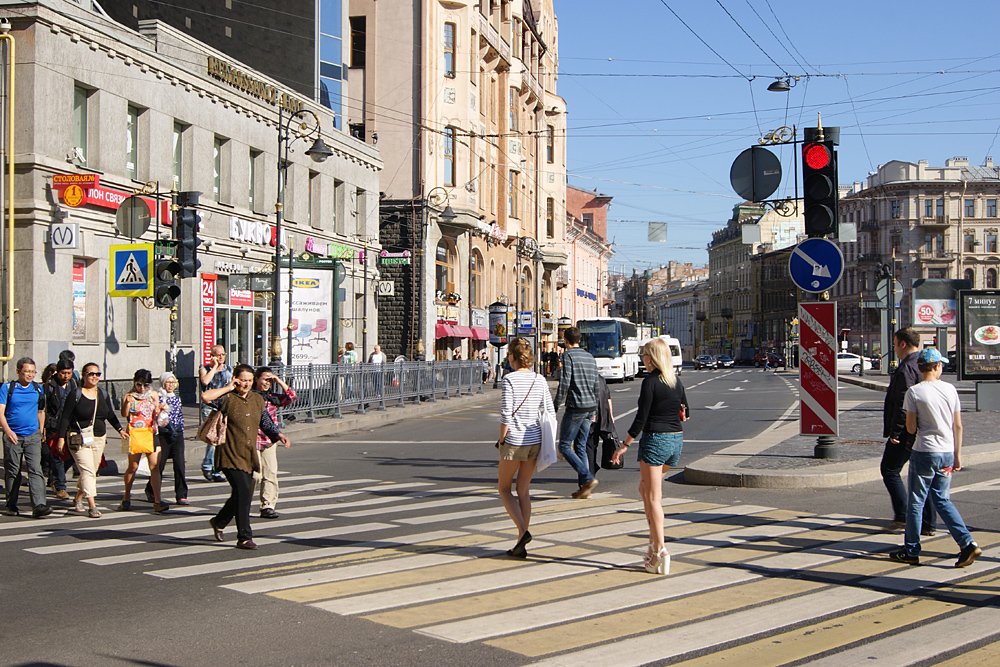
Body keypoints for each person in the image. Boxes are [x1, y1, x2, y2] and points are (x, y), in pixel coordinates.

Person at [890, 348, 981, 568]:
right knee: (942, 499)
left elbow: (910, 428)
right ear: (937, 367)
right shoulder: (950, 390)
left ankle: (911, 550)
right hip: (947, 452)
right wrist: (957, 456)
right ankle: (967, 542)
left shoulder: (914, 392)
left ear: (921, 368)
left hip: (924, 451)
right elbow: (958, 425)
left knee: (916, 502)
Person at [611, 338, 689, 575]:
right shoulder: (676, 382)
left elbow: (641, 418)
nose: (642, 359)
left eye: (645, 355)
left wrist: (624, 445)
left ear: (653, 358)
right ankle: (653, 546)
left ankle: (661, 550)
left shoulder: (651, 382)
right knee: (644, 490)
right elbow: (685, 413)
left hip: (656, 440)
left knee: (654, 498)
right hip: (675, 441)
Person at [202, 364, 290, 550]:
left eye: (249, 381)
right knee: (243, 490)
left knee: (244, 492)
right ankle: (244, 537)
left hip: (248, 454)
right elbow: (205, 397)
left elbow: (265, 421)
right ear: (236, 379)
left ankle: (219, 521)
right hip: (229, 453)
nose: (246, 384)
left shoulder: (257, 399)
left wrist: (278, 435)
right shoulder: (227, 398)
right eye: (243, 380)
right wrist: (228, 387)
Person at [497, 337, 553, 559]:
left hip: (514, 440)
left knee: (503, 488)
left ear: (512, 357)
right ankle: (521, 542)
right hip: (535, 441)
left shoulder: (509, 380)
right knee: (523, 490)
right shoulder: (539, 379)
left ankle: (523, 532)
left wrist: (501, 438)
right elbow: (548, 409)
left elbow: (506, 413)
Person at [881, 328, 935, 534]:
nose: (894, 348)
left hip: (906, 431)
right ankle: (928, 523)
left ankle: (903, 515)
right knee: (922, 475)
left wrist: (896, 432)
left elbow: (903, 404)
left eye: (895, 343)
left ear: (903, 344)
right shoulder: (923, 363)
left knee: (889, 469)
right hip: (924, 428)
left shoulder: (906, 369)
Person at [56, 363, 127, 518]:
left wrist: (120, 429)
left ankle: (78, 498)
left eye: (97, 374)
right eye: (91, 374)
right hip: (78, 438)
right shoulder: (76, 394)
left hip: (99, 438)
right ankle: (92, 505)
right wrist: (61, 438)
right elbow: (65, 417)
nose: (94, 377)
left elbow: (109, 414)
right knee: (87, 470)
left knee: (91, 471)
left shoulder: (102, 393)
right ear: (84, 375)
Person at [553, 327, 600, 499]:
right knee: (580, 446)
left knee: (565, 446)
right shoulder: (590, 356)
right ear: (579, 339)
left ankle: (587, 477)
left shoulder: (568, 356)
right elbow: (596, 384)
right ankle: (584, 487)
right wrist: (594, 409)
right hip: (590, 407)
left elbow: (565, 382)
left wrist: (556, 404)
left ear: (565, 341)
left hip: (576, 407)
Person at [0, 357, 51, 518]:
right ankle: (11, 504)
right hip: (13, 435)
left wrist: (40, 430)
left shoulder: (37, 389)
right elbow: (0, 412)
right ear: (18, 372)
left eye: (33, 371)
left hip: (32, 435)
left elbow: (41, 411)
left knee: (36, 469)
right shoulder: (8, 388)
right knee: (13, 470)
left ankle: (39, 505)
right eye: (26, 371)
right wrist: (8, 431)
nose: (30, 375)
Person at [119, 369, 168, 513]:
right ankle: (126, 497)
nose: (142, 389)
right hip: (135, 434)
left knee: (154, 466)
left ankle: (157, 500)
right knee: (133, 466)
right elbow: (124, 414)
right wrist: (127, 404)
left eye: (145, 385)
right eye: (139, 385)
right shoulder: (129, 396)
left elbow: (158, 413)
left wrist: (159, 409)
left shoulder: (153, 395)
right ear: (134, 382)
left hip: (151, 432)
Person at [253, 367, 295, 519]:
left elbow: (291, 397)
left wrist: (278, 380)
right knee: (255, 475)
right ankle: (242, 501)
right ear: (256, 379)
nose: (267, 383)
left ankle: (267, 505)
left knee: (270, 473)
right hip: (252, 439)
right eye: (265, 379)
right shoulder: (250, 396)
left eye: (270, 381)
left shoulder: (272, 397)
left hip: (269, 440)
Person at [143, 372, 188, 506]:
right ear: (163, 383)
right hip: (163, 433)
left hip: (177, 433)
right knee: (159, 465)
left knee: (180, 464)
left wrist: (180, 429)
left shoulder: (177, 398)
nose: (170, 385)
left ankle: (181, 495)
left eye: (173, 382)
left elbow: (180, 415)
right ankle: (151, 490)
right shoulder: (158, 397)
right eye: (168, 382)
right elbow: (154, 414)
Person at [43, 359, 76, 501]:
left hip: (69, 425)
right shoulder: (49, 386)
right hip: (53, 426)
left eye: (69, 373)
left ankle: (53, 476)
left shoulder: (74, 384)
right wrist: (43, 428)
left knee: (72, 455)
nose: (66, 376)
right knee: (57, 455)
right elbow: (43, 409)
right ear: (58, 372)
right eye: (63, 373)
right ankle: (61, 486)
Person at [199, 344, 231, 482]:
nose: (221, 357)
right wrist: (214, 367)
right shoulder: (204, 368)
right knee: (213, 438)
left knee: (222, 438)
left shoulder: (228, 369)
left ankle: (216, 469)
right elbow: (205, 381)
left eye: (223, 354)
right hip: (210, 406)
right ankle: (207, 466)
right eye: (218, 354)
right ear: (212, 355)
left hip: (224, 406)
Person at [585, 374, 616, 477]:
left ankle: (590, 472)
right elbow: (608, 399)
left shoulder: (585, 378)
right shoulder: (601, 379)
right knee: (594, 444)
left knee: (589, 446)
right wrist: (611, 416)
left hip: (591, 417)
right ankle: (592, 468)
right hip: (603, 418)